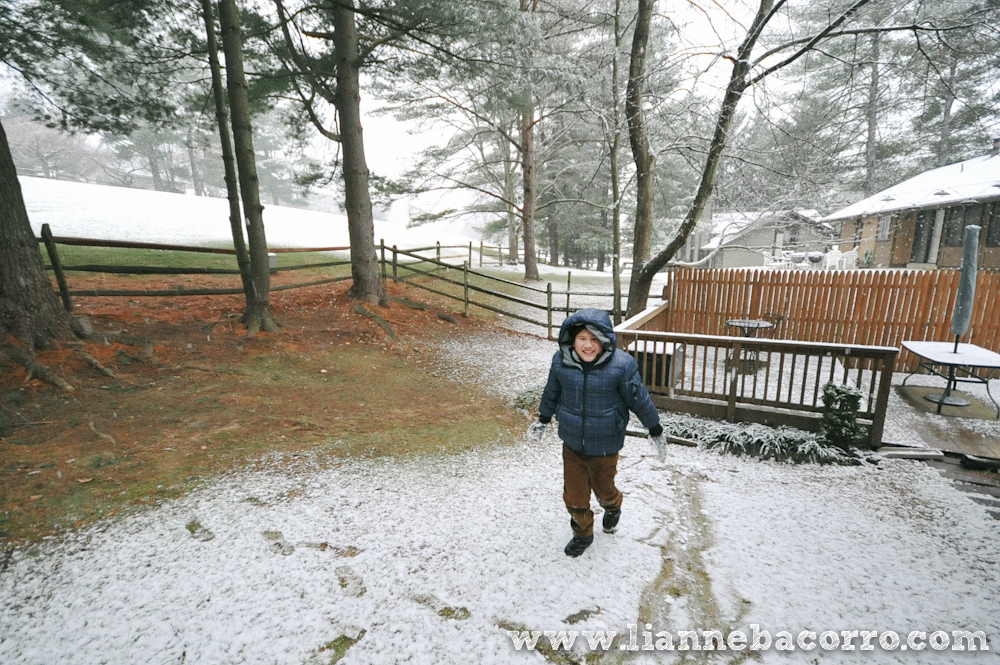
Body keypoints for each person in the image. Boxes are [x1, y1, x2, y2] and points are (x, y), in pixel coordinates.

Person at [528, 308, 666, 557]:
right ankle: (583, 533)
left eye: (594, 339)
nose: (588, 345)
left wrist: (654, 429)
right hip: (571, 442)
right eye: (582, 338)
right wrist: (543, 418)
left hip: (606, 444)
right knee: (574, 494)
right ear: (572, 340)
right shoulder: (561, 362)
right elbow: (551, 392)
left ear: (605, 340)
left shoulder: (622, 366)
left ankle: (613, 507)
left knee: (604, 489)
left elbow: (639, 400)